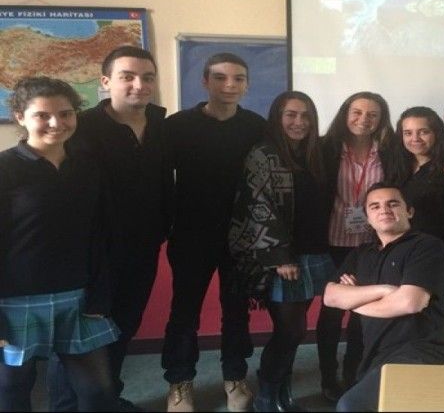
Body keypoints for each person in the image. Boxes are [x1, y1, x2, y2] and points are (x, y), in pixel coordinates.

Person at [47, 46, 173, 412]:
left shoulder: (161, 126)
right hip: (90, 255)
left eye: (147, 77)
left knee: (123, 329)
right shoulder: (80, 128)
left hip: (142, 250)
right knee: (78, 341)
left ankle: (108, 400)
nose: (139, 85)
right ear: (106, 82)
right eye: (127, 77)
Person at [1, 77, 119, 411]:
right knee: (12, 393)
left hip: (77, 298)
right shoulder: (5, 168)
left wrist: (100, 294)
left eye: (65, 114)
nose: (56, 123)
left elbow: (100, 235)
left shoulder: (87, 168)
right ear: (21, 117)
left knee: (98, 392)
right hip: (14, 302)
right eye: (43, 115)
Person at [162, 53, 267, 412]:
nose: (229, 85)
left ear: (247, 85)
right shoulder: (177, 126)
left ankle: (235, 378)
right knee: (184, 311)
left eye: (238, 78)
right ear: (205, 82)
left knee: (236, 310)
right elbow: (158, 180)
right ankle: (179, 382)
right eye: (220, 77)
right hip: (191, 235)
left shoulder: (256, 126)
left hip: (241, 236)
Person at [229, 91, 336, 411]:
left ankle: (282, 393)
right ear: (277, 117)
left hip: (316, 251)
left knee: (296, 328)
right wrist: (278, 255)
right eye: (291, 114)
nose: (299, 122)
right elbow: (257, 206)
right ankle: (267, 394)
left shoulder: (317, 153)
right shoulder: (263, 153)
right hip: (284, 258)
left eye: (305, 115)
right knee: (291, 330)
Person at [325, 183, 444, 412]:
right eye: (374, 206)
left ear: (409, 211)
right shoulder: (361, 254)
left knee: (351, 406)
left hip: (421, 351)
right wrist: (385, 290)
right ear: (368, 218)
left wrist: (354, 302)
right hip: (375, 353)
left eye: (392, 204)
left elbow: (410, 302)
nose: (384, 210)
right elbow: (331, 296)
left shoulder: (427, 246)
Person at [316, 91, 394, 401]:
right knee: (332, 313)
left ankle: (354, 375)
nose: (364, 119)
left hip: (372, 244)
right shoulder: (325, 149)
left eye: (373, 114)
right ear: (345, 114)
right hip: (332, 243)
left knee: (364, 314)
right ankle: (328, 377)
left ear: (381, 120)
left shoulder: (388, 151)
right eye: (357, 112)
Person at [386, 106, 444, 312]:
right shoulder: (397, 167)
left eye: (423, 132)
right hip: (399, 253)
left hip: (436, 254)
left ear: (436, 133)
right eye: (408, 133)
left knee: (430, 316)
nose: (415, 139)